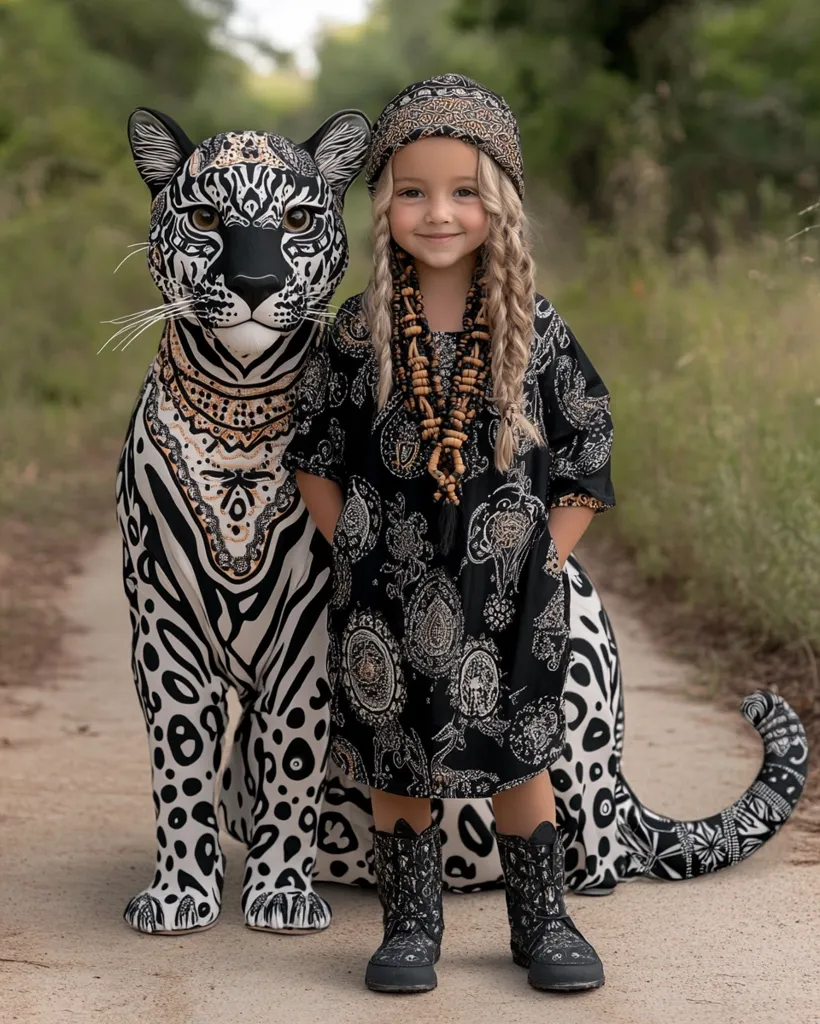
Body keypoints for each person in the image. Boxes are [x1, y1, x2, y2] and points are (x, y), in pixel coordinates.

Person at [283, 73, 615, 995]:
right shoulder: (359, 335)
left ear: (499, 202)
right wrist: (347, 535)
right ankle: (411, 927)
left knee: (517, 750)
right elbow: (315, 446)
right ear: (383, 202)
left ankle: (541, 921)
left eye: (464, 191)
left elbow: (588, 436)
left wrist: (551, 547)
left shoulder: (529, 331)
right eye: (414, 192)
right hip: (386, 593)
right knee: (398, 748)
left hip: (513, 597)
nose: (438, 213)